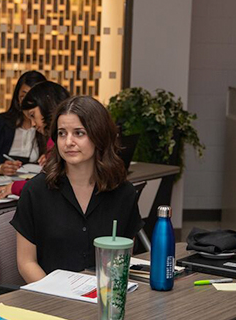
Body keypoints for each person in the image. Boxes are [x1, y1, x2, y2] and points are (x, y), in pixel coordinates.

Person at [10, 96, 143, 283]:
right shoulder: (36, 191)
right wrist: (56, 294)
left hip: (103, 298)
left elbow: (123, 260)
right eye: (62, 133)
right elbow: (26, 263)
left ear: (99, 135)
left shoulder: (123, 192)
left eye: (79, 133)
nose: (68, 142)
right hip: (50, 298)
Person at [0, 81, 71, 198]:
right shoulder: (56, 139)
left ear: (46, 106)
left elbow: (50, 184)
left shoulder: (61, 140)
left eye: (32, 115)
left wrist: (15, 187)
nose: (32, 124)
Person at [0, 70, 47, 175]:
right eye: (23, 97)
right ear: (17, 98)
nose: (28, 103)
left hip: (34, 184)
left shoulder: (48, 127)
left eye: (34, 98)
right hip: (0, 181)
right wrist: (0, 168)